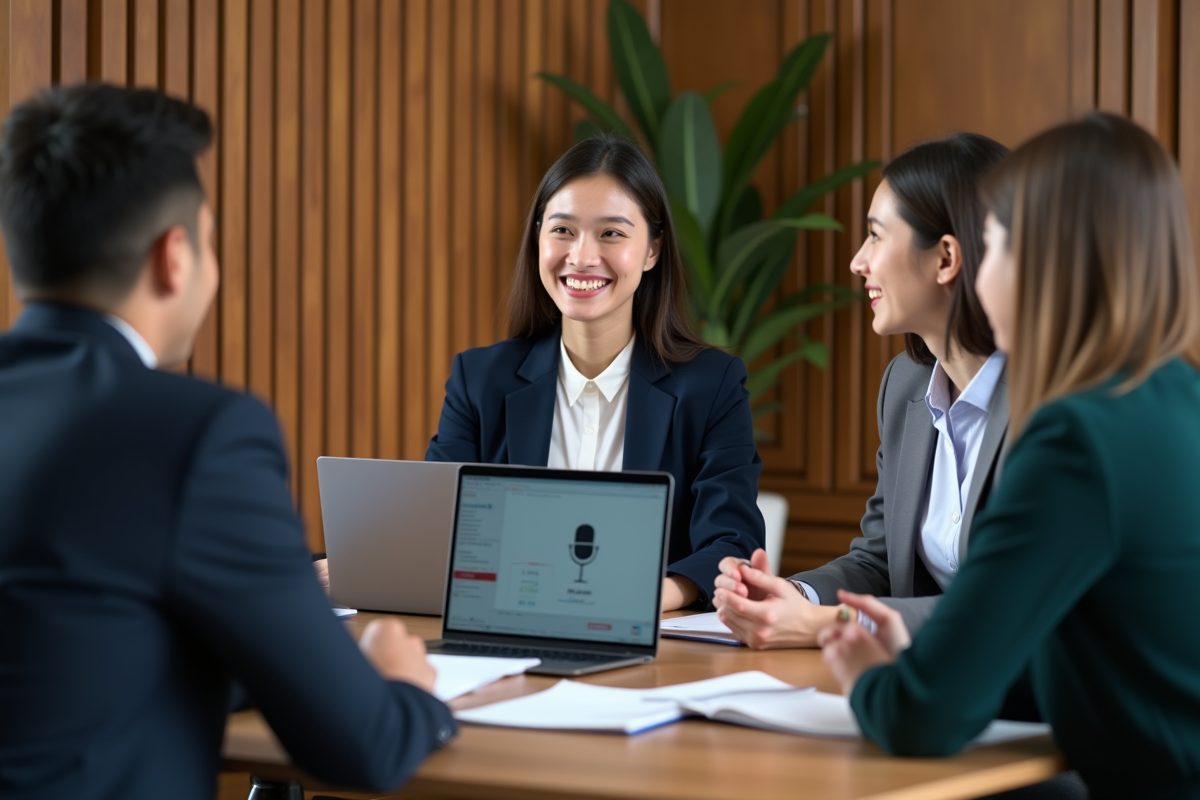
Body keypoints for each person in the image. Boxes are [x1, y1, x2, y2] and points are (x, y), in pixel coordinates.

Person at [0, 84, 455, 800]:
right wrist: (398, 682)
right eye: (211, 240)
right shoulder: (196, 433)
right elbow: (366, 746)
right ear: (174, 257)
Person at [820, 113, 1200, 798]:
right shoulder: (1177, 392)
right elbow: (1083, 648)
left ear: (1045, 264)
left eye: (990, 245)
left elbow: (923, 718)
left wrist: (869, 677)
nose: (976, 267)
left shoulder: (1075, 439)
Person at [425, 136, 765, 611]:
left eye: (611, 233)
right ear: (538, 237)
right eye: (562, 230)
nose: (582, 257)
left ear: (652, 251)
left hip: (650, 650)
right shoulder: (480, 379)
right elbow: (435, 528)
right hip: (505, 631)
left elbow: (731, 544)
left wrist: (638, 598)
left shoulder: (712, 385)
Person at [712, 134, 1010, 646]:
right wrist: (795, 596)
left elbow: (1007, 605)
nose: (857, 262)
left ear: (945, 259)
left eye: (876, 236)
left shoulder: (1052, 403)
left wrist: (829, 624)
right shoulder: (905, 387)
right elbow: (879, 560)